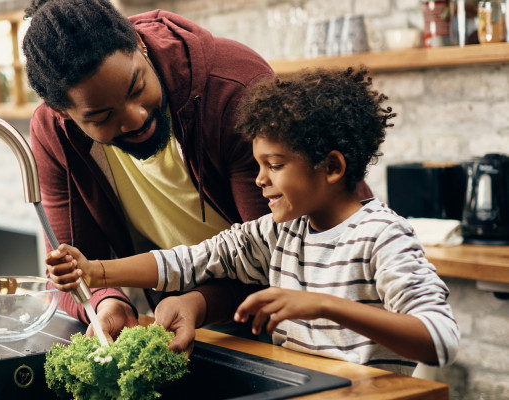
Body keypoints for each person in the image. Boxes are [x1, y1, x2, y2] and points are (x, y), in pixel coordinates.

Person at [47, 67, 460, 375]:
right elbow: (189, 261)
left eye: (275, 165)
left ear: (332, 167)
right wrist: (95, 271)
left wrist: (323, 305)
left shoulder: (382, 236)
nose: (260, 179)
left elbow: (439, 339)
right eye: (259, 164)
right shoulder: (278, 233)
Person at [23, 0, 373, 341]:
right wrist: (104, 300)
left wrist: (198, 303)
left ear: (140, 46)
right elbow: (74, 269)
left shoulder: (232, 90)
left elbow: (283, 257)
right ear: (63, 113)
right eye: (102, 116)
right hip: (209, 319)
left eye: (138, 88)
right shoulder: (55, 135)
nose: (136, 118)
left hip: (312, 310)